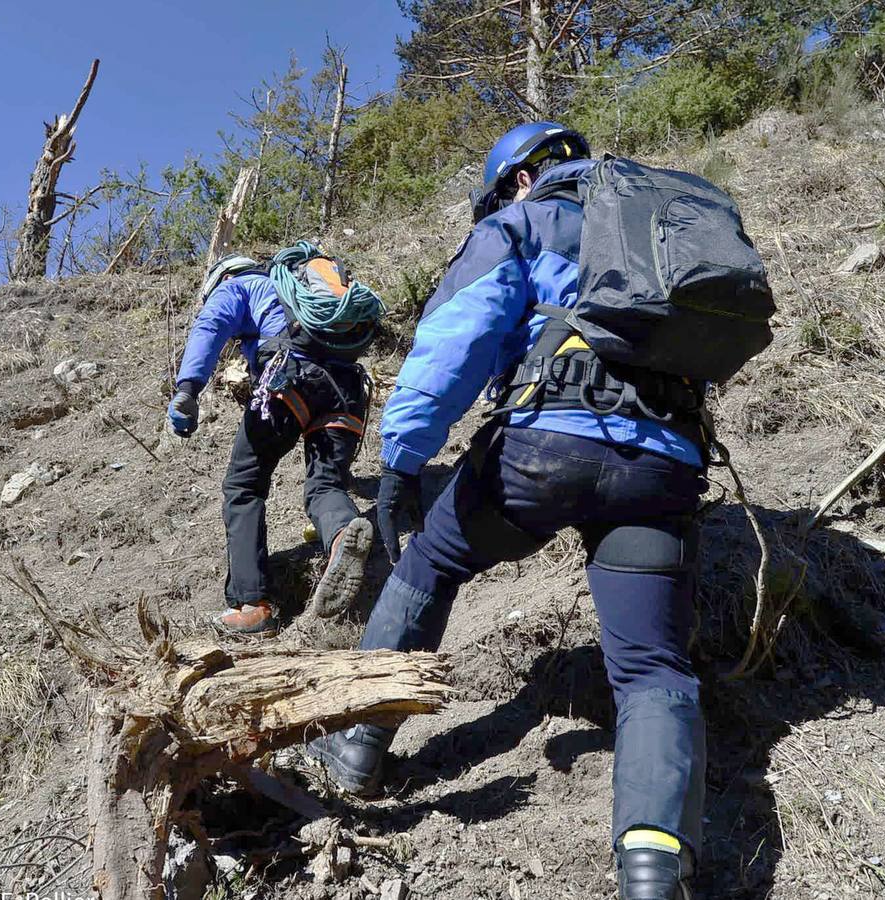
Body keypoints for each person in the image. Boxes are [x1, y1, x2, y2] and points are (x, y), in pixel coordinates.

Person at [308, 124, 711, 899]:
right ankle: (655, 873)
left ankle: (358, 746)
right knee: (652, 668)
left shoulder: (524, 222)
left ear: (521, 178)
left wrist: (401, 463)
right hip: (661, 464)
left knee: (433, 559)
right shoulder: (664, 228)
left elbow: (454, 342)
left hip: (542, 455)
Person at [168, 244, 384, 636]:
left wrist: (188, 388)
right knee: (324, 485)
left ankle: (252, 605)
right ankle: (340, 537)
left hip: (291, 379)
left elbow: (211, 325)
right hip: (349, 388)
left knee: (244, 485)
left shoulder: (241, 285)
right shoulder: (303, 292)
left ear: (223, 277)